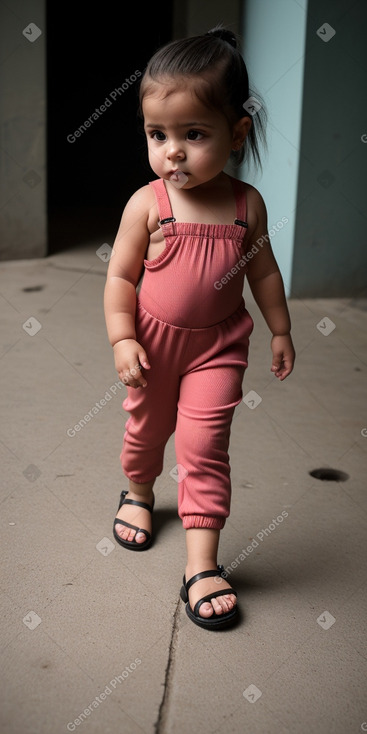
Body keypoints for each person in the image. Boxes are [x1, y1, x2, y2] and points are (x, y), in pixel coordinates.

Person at [103, 26, 295, 630]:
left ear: (236, 134)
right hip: (154, 346)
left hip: (219, 347)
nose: (172, 152)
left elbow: (263, 273)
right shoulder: (148, 203)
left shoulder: (246, 205)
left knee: (204, 448)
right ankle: (138, 492)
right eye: (158, 135)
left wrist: (282, 329)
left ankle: (202, 562)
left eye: (194, 135)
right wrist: (122, 337)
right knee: (147, 432)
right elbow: (120, 281)